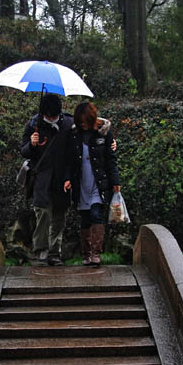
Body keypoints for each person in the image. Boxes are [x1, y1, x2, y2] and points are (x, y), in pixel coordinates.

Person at [64, 101, 121, 266]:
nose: (83, 125)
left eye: (85, 121)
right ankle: (87, 254)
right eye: (80, 122)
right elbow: (69, 161)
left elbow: (111, 159)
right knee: (85, 218)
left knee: (96, 213)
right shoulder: (74, 134)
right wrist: (67, 179)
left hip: (99, 181)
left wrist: (115, 181)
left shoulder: (104, 133)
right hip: (81, 181)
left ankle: (96, 253)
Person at [20, 92, 73, 265]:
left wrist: (109, 139)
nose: (52, 119)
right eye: (49, 116)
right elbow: (23, 151)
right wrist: (31, 144)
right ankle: (40, 251)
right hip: (41, 178)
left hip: (63, 178)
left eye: (54, 116)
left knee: (59, 215)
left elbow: (77, 149)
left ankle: (54, 253)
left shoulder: (69, 124)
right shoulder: (34, 124)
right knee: (42, 212)